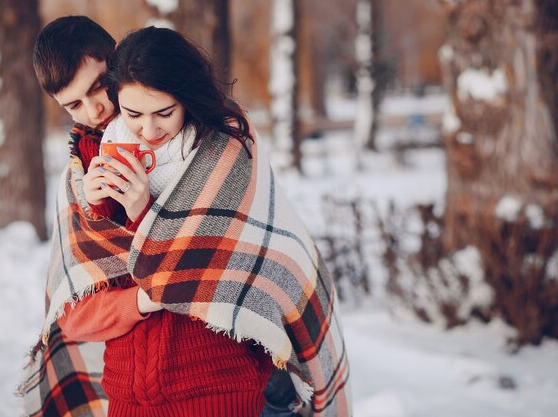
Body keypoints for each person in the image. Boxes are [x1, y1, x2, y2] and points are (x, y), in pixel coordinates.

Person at [21, 18, 351, 417]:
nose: (95, 110)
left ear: (119, 65)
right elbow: (75, 315)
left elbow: (222, 262)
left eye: (98, 87)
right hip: (134, 390)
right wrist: (138, 294)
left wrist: (143, 211)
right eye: (73, 105)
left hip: (230, 378)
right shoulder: (79, 177)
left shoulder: (215, 139)